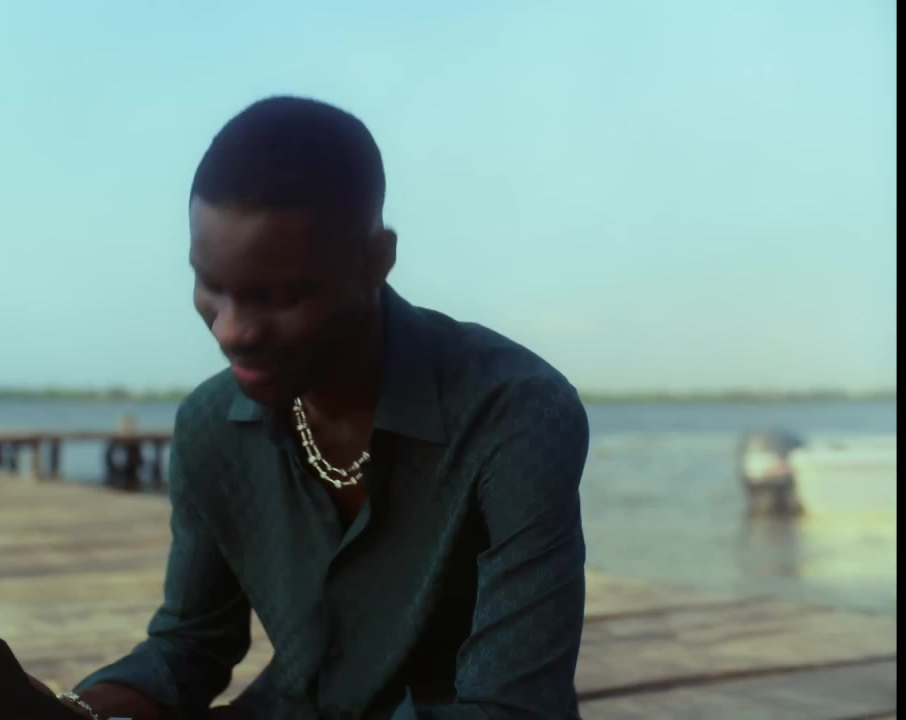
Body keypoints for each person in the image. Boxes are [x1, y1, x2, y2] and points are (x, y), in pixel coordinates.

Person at [57, 96, 590, 719]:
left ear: (376, 261)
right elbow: (190, 645)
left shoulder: (516, 414)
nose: (230, 330)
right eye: (211, 285)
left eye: (278, 296)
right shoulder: (209, 426)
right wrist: (75, 710)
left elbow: (514, 709)